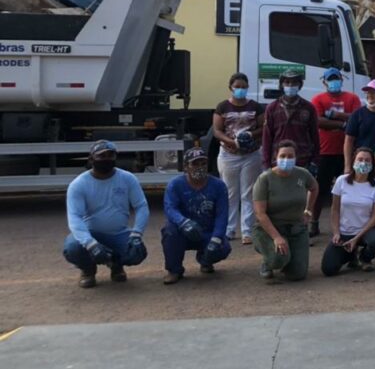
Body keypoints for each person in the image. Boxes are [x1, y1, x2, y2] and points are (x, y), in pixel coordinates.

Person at [63, 140, 149, 288]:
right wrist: (90, 244)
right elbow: (74, 217)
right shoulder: (78, 184)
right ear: (91, 159)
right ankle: (88, 270)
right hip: (91, 233)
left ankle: (116, 265)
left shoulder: (127, 178)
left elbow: (141, 206)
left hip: (119, 233)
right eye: (101, 156)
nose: (106, 159)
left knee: (137, 252)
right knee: (72, 247)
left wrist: (137, 234)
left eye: (110, 155)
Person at [251, 140, 319, 282]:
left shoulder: (302, 174)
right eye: (282, 156)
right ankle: (268, 259)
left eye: (290, 156)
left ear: (296, 157)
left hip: (296, 227)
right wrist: (276, 237)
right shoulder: (265, 179)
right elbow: (260, 213)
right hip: (270, 228)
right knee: (278, 259)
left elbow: (314, 188)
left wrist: (308, 211)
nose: (286, 159)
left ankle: (288, 257)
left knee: (297, 274)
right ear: (276, 157)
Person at [161, 148, 230, 284]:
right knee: (169, 232)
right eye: (195, 164)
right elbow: (170, 208)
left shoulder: (219, 186)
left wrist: (216, 238)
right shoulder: (175, 184)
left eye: (203, 163)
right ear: (186, 166)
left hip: (207, 232)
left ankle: (206, 260)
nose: (200, 167)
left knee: (223, 247)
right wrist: (183, 222)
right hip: (183, 231)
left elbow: (222, 215)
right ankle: (174, 270)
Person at [213, 72, 263, 245]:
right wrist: (231, 142)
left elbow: (263, 128)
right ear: (231, 88)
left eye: (243, 87)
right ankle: (229, 229)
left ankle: (247, 231)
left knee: (248, 192)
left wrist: (250, 135)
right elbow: (217, 130)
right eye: (237, 87)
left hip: (251, 154)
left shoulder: (256, 106)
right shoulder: (222, 107)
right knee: (230, 192)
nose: (240, 90)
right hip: (229, 154)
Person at [311, 67, 361, 237]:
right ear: (324, 82)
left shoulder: (352, 98)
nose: (334, 82)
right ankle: (313, 223)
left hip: (347, 152)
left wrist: (333, 115)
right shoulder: (318, 99)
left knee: (349, 191)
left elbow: (357, 117)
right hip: (325, 151)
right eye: (330, 79)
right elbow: (318, 121)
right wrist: (343, 123)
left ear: (341, 79)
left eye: (336, 78)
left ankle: (350, 225)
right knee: (319, 190)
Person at [321, 147, 375, 276]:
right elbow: (335, 209)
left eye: (367, 160)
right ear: (353, 161)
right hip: (344, 232)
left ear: (372, 164)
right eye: (360, 159)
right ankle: (350, 256)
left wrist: (356, 238)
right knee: (328, 270)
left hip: (365, 232)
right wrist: (336, 233)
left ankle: (365, 257)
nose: (363, 163)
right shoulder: (341, 181)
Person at [261, 68, 319, 171]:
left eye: (294, 82)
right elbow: (267, 137)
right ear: (282, 85)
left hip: (302, 160)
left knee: (300, 187)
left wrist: (315, 161)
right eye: (287, 82)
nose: (290, 85)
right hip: (278, 160)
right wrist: (266, 163)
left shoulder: (308, 108)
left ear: (300, 85)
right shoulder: (272, 108)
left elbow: (315, 136)